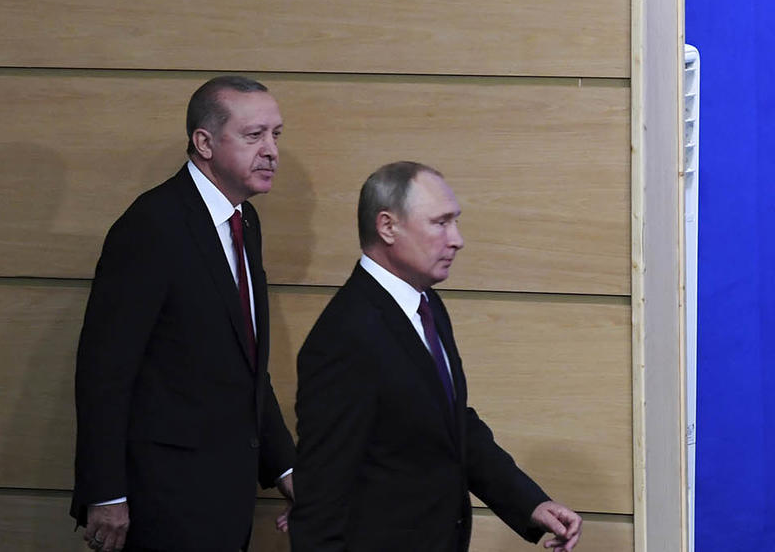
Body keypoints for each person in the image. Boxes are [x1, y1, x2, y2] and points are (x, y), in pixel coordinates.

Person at [291, 162, 583, 552]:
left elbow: (451, 426)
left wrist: (531, 503)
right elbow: (322, 496)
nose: (457, 239)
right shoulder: (345, 335)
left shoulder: (426, 304)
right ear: (387, 227)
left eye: (455, 222)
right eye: (440, 223)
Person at [71, 75, 297, 552]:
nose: (273, 150)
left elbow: (246, 366)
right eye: (254, 135)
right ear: (204, 142)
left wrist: (287, 470)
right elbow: (104, 371)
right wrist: (106, 493)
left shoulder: (245, 221)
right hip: (163, 501)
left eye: (276, 134)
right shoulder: (151, 225)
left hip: (225, 497)